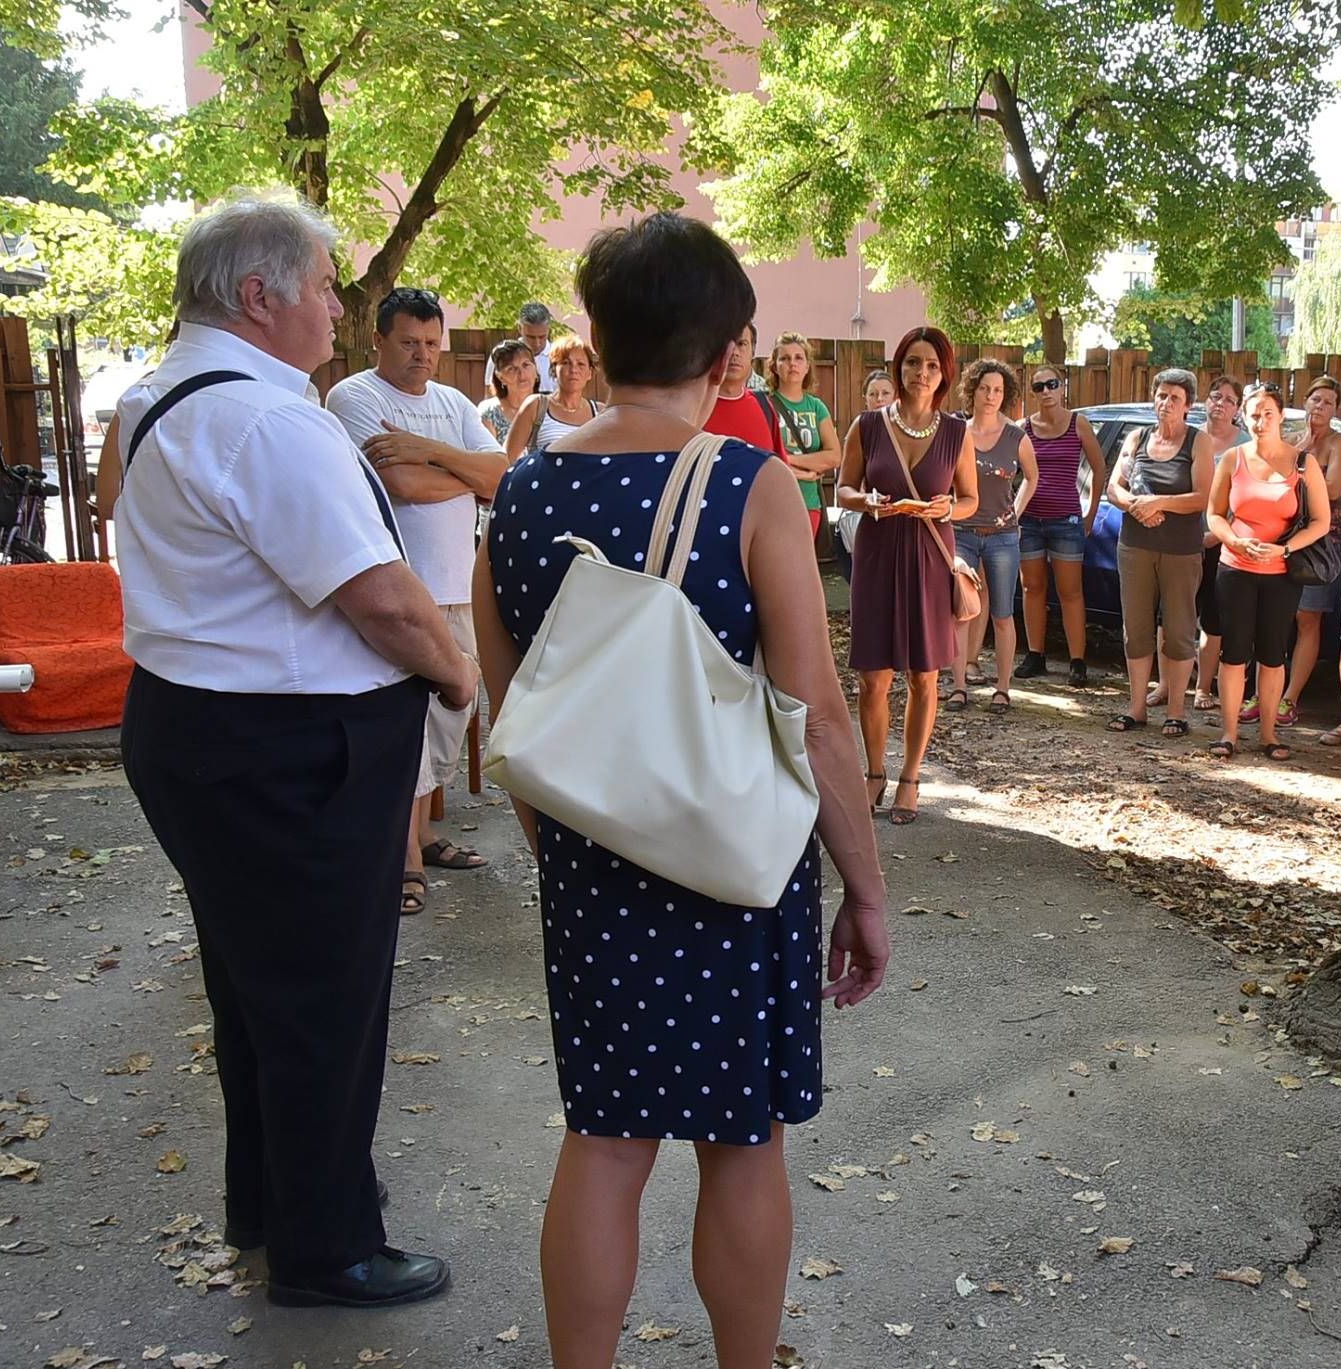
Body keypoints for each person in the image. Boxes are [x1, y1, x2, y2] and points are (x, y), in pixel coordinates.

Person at [475, 213, 889, 1369]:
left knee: (604, 1143)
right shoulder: (748, 485)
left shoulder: (519, 494)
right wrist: (864, 888)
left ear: (597, 337)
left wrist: (573, 852)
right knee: (740, 1145)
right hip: (733, 862)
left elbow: (514, 720)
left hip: (588, 866)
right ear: (726, 351)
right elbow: (816, 714)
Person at [114, 190, 471, 1307]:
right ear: (260, 295)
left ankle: (269, 1203)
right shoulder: (266, 422)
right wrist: (459, 677)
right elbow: (386, 600)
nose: (337, 304)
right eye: (323, 283)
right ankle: (327, 1248)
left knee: (257, 987)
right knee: (323, 1000)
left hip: (203, 729)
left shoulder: (160, 395)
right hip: (292, 751)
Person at [326, 287, 508, 913]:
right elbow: (397, 484)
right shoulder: (355, 397)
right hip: (400, 587)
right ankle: (403, 860)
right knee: (405, 722)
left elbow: (502, 476)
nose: (422, 354)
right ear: (379, 339)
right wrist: (463, 474)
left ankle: (424, 836)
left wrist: (429, 451)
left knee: (452, 712)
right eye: (409, 342)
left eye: (432, 343)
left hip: (460, 585)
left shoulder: (452, 402)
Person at [837, 326, 980, 824]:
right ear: (899, 368)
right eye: (914, 362)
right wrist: (868, 501)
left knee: (924, 676)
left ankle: (911, 778)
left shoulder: (957, 433)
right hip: (877, 556)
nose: (922, 373)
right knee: (873, 678)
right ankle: (874, 772)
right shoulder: (867, 425)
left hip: (930, 557)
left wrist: (948, 508)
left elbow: (971, 499)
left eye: (933, 366)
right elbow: (843, 489)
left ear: (944, 375)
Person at [1204, 383, 1330, 761]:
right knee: (1233, 652)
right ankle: (1229, 733)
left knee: (1273, 654)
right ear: (1244, 416)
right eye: (1254, 415)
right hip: (1235, 568)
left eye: (1268, 414)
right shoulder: (1233, 459)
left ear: (1281, 416)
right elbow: (1214, 514)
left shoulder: (1303, 463)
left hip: (1282, 573)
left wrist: (1285, 549)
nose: (1260, 422)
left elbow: (1321, 522)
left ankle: (1269, 735)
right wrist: (1234, 541)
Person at [1108, 368, 1212, 737]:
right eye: (1161, 395)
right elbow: (1114, 487)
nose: (1166, 403)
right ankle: (1136, 708)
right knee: (1136, 629)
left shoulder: (1198, 442)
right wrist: (1135, 506)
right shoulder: (1136, 438)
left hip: (1181, 552)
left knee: (1179, 631)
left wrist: (1159, 502)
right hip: (1135, 547)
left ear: (1188, 405)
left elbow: (1202, 497)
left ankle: (1176, 712)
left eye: (1175, 397)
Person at [950, 358, 1036, 714]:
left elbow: (1032, 477)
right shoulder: (956, 433)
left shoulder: (1016, 436)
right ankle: (958, 687)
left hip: (1003, 537)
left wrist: (1016, 509)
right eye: (985, 388)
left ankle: (1002, 689)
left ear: (1006, 395)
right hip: (961, 533)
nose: (990, 395)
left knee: (1002, 614)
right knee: (960, 612)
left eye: (998, 390)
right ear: (972, 390)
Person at [1014, 364, 1106, 686]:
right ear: (1033, 393)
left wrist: (1091, 514)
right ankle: (1035, 654)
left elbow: (1099, 468)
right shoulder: (1023, 428)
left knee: (1070, 590)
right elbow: (1007, 471)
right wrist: (1012, 512)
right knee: (1032, 587)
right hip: (1030, 521)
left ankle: (1077, 661)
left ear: (1062, 386)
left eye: (1051, 384)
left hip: (1067, 520)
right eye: (1039, 387)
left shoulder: (1078, 424)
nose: (1046, 391)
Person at [1276, 375, 1341, 732]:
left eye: (1328, 402)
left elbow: (1334, 488)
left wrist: (1301, 463)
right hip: (1283, 539)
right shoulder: (1291, 440)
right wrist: (1302, 449)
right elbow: (1274, 483)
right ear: (1304, 402)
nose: (1320, 407)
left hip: (1321, 545)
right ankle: (1265, 692)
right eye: (1315, 400)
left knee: (1308, 618)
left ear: (1336, 410)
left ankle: (1290, 698)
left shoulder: (1340, 443)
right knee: (1278, 617)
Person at [1188, 375, 1249, 712]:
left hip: (1222, 543)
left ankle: (1203, 688)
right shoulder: (1190, 437)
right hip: (1182, 540)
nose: (1220, 404)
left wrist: (1216, 535)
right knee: (1173, 615)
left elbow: (1248, 502)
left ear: (1237, 408)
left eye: (1229, 399)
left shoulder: (1245, 445)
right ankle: (1167, 685)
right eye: (1215, 396)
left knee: (1212, 618)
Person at [765, 331, 841, 539]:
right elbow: (761, 458)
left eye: (799, 358)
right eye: (785, 358)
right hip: (771, 503)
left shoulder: (816, 407)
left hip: (808, 504)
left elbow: (834, 456)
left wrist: (787, 460)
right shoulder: (764, 405)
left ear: (807, 366)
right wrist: (806, 471)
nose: (792, 363)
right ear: (774, 366)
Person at [832, 370, 898, 585]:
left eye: (885, 393)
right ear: (865, 398)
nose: (879, 399)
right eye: (873, 394)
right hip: (863, 519)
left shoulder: (907, 434)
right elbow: (847, 486)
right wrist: (865, 499)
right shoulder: (860, 431)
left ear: (896, 396)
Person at [706, 322, 792, 467]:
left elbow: (780, 467)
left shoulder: (763, 406)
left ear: (752, 353)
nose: (734, 352)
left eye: (741, 344)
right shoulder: (693, 409)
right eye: (725, 344)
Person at [504, 335, 602, 460]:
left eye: (581, 364)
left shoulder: (601, 412)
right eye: (566, 363)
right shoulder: (536, 406)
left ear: (590, 373)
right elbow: (506, 459)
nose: (573, 369)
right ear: (554, 370)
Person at [482, 301, 554, 395]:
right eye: (531, 337)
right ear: (520, 328)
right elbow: (490, 394)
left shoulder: (560, 357)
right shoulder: (502, 355)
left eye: (542, 337)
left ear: (549, 329)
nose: (537, 343)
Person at [478, 339, 539, 445]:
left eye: (526, 365)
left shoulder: (549, 408)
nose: (521, 374)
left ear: (536, 370)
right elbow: (487, 452)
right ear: (501, 377)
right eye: (511, 369)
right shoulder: (490, 412)